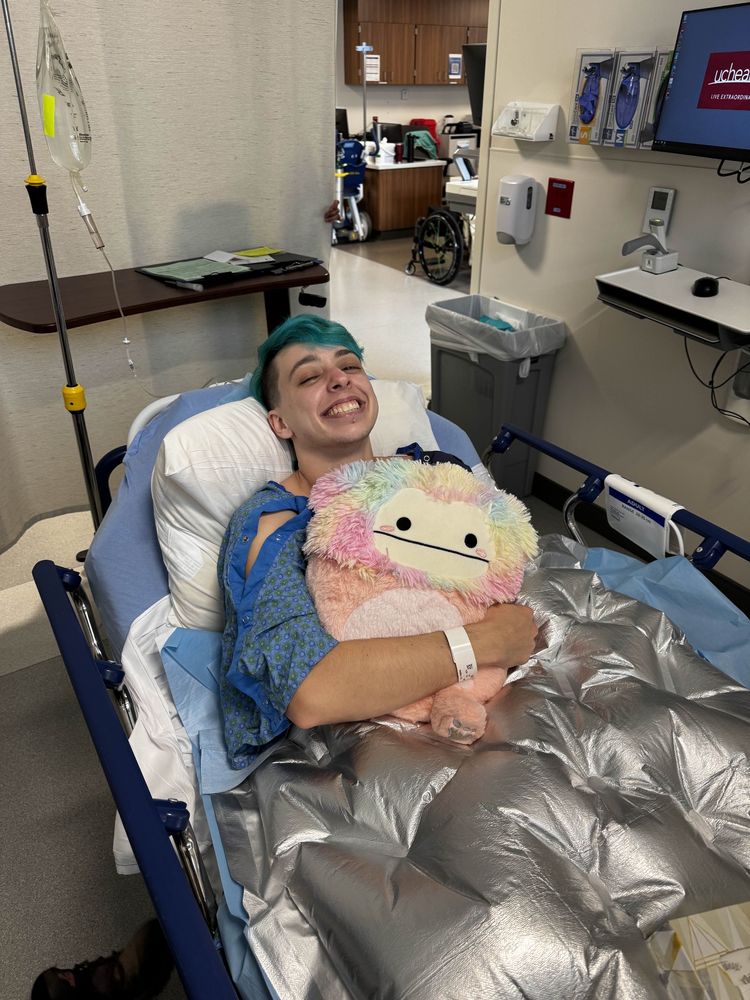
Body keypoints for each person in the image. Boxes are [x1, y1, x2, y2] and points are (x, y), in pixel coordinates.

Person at [219, 315, 538, 769]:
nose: (338, 380)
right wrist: (480, 642)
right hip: (380, 745)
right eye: (310, 376)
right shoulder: (278, 522)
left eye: (350, 367)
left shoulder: (437, 473)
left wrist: (499, 637)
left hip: (500, 694)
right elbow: (312, 692)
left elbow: (505, 594)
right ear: (281, 422)